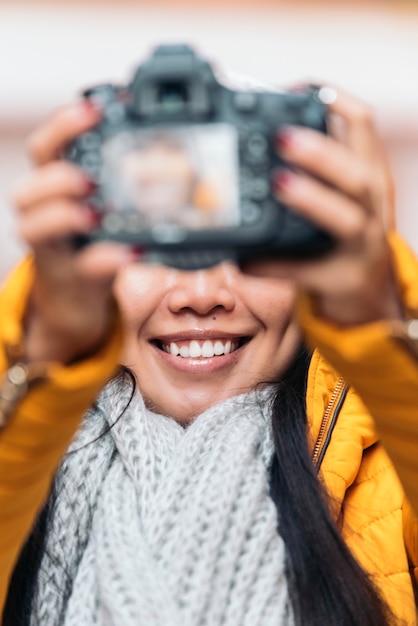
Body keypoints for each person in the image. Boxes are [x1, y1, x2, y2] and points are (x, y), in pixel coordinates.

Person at [0, 84, 417, 626]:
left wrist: (377, 321)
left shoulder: (390, 456)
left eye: (248, 251)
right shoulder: (20, 427)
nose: (200, 297)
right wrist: (41, 361)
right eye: (157, 251)